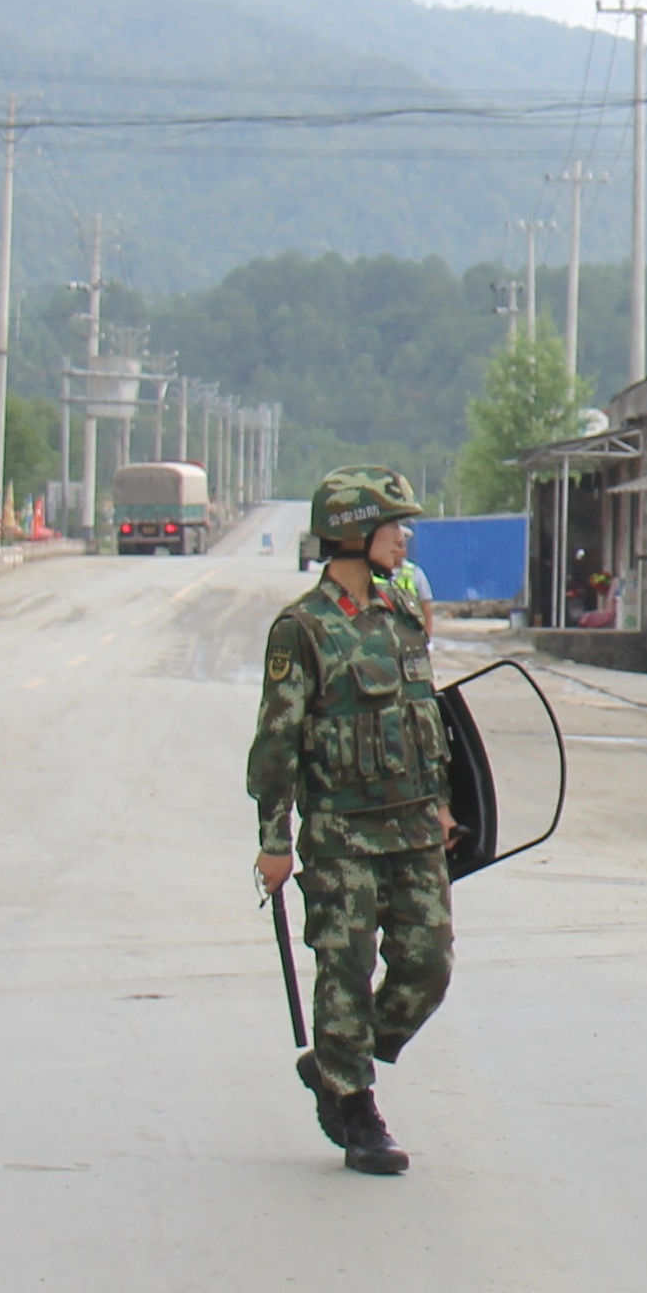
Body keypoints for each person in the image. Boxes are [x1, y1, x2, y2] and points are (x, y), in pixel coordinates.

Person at [253, 467, 457, 1174]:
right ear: (351, 533)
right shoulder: (302, 630)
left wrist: (442, 801)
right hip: (341, 836)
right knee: (345, 968)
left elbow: (424, 717)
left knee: (428, 968)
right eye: (391, 525)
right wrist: (274, 842)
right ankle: (356, 1107)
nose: (403, 537)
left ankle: (337, 1058)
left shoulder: (401, 616)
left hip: (413, 831)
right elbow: (276, 743)